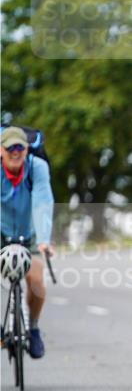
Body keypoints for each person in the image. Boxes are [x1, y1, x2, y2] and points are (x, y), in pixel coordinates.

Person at [1, 127, 54, 359]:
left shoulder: (36, 167)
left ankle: (32, 328)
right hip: (1, 231)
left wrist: (43, 240)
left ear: (26, 150)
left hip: (28, 234)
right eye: (10, 147)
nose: (15, 152)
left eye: (20, 147)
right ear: (0, 151)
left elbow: (43, 201)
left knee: (36, 282)